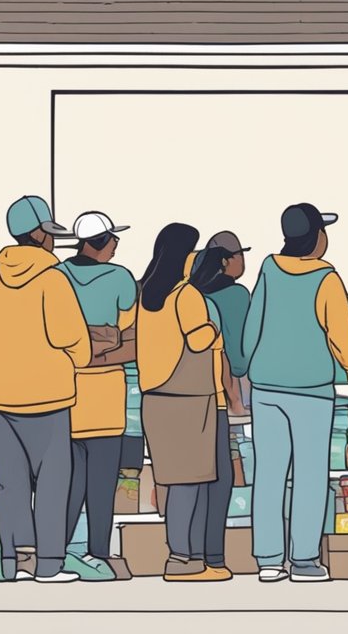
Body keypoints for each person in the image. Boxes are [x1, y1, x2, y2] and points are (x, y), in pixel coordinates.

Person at [0, 196, 90, 583]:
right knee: (51, 482)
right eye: (49, 232)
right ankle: (48, 565)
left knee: (10, 484)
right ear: (38, 234)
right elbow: (75, 342)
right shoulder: (53, 279)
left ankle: (14, 564)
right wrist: (68, 363)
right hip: (48, 398)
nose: (51, 241)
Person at [243, 206, 348, 583]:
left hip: (267, 387)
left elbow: (252, 325)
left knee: (269, 473)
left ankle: (269, 560)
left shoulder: (268, 269)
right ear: (316, 238)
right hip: (311, 389)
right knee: (310, 474)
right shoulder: (326, 278)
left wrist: (247, 364)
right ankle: (305, 560)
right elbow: (344, 338)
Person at [137, 222, 229, 583]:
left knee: (174, 482)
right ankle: (183, 560)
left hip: (155, 400)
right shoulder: (186, 296)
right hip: (190, 399)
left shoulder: (145, 295)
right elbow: (198, 340)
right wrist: (215, 327)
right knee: (191, 482)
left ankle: (181, 555)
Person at [59, 211, 138, 582]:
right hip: (106, 396)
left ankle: (57, 551)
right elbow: (129, 337)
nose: (116, 245)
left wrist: (81, 347)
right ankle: (98, 554)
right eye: (113, 239)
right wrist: (105, 341)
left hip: (65, 394)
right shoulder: (121, 278)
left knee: (68, 482)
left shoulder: (57, 276)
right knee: (101, 486)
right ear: (100, 242)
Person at [190, 231, 253, 411]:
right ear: (225, 261)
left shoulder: (194, 294)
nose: (243, 261)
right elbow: (238, 353)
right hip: (233, 385)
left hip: (200, 381)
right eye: (240, 255)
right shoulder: (237, 295)